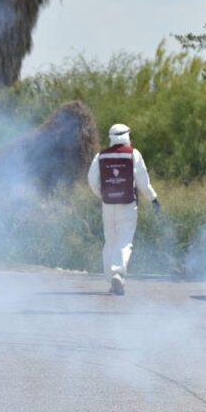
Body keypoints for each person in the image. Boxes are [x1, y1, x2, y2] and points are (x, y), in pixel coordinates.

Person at [87, 123, 160, 295]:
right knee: (124, 241)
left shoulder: (101, 156)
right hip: (127, 205)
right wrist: (153, 198)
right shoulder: (133, 154)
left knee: (110, 241)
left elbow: (91, 179)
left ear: (111, 137)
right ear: (127, 136)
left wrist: (102, 195)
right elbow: (143, 181)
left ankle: (111, 281)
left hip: (108, 205)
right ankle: (118, 274)